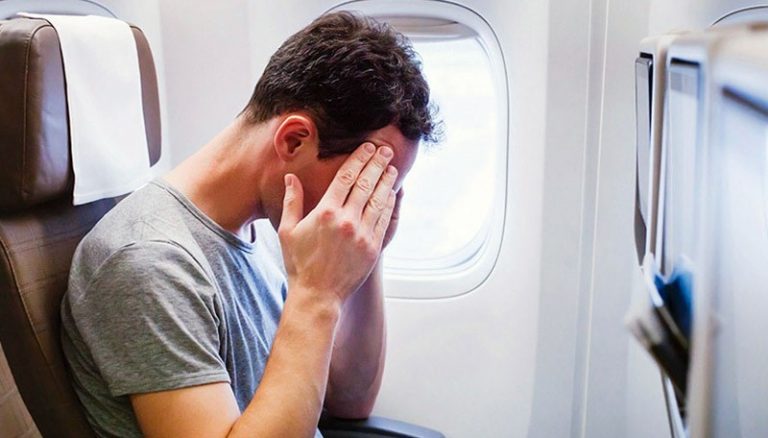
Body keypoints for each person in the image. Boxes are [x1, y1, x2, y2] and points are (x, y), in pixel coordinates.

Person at [60, 11, 439, 438]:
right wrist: (316, 294)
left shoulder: (275, 229)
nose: (364, 206)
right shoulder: (149, 263)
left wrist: (369, 251)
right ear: (294, 140)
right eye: (363, 185)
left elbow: (350, 399)